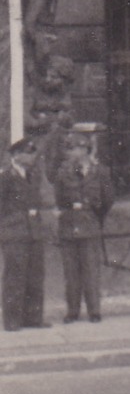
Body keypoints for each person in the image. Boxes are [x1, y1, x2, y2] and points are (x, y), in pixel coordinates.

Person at [54, 125, 115, 323]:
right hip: (69, 225)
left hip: (90, 225)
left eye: (75, 149)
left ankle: (94, 310)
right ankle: (73, 310)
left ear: (85, 150)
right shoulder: (63, 173)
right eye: (69, 149)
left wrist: (95, 217)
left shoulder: (100, 172)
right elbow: (59, 198)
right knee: (71, 272)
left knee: (91, 270)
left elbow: (107, 200)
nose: (72, 153)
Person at [0, 136, 49, 330]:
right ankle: (13, 321)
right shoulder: (5, 178)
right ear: (16, 156)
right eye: (28, 154)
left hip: (34, 232)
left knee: (35, 276)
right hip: (14, 233)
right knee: (15, 277)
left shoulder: (34, 176)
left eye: (33, 153)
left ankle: (34, 318)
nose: (31, 158)